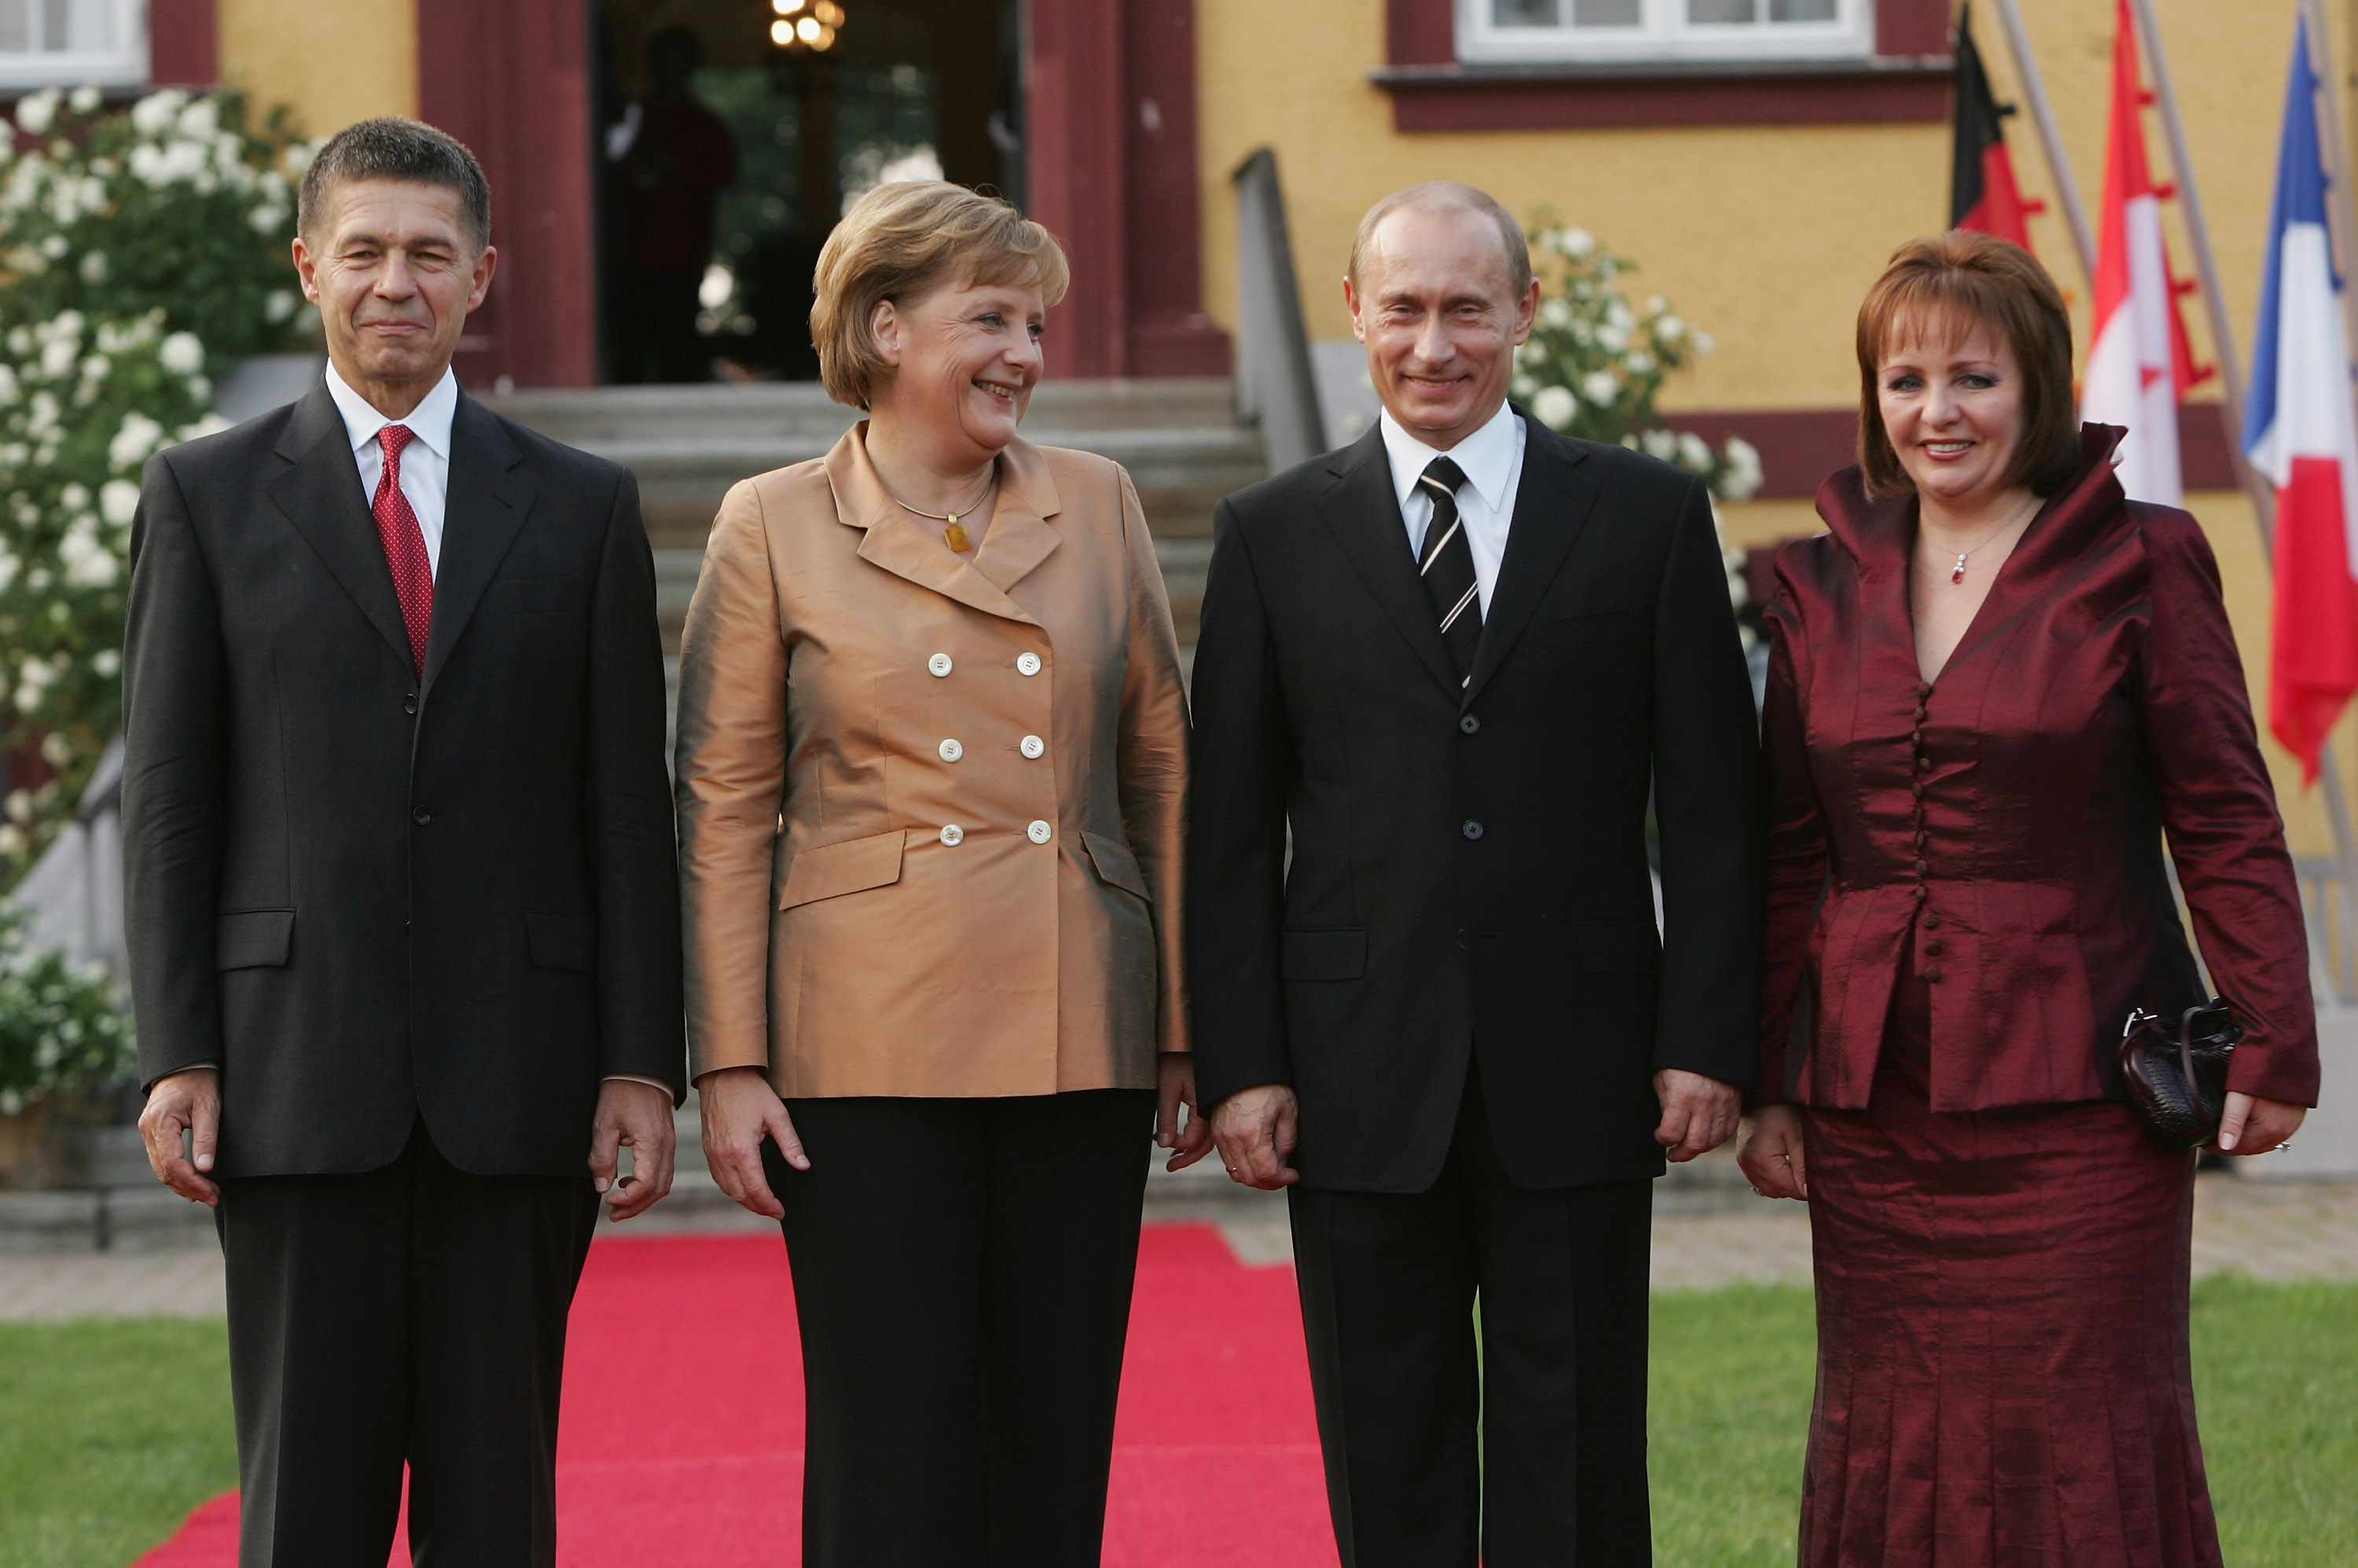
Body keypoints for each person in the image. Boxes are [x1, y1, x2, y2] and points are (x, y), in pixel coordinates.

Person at [124, 119, 684, 1566]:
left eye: (430, 254)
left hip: (519, 1087)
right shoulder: (202, 495)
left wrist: (639, 1060)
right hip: (293, 1080)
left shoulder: (583, 505)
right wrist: (179, 1048)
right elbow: (174, 797)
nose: (396, 283)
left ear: (481, 277)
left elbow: (626, 806)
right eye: (364, 251)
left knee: (497, 1517)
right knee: (306, 1512)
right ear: (309, 268)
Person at [1188, 181, 1765, 1566]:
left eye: (1466, 308)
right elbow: (1229, 828)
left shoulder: (1646, 517)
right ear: (1354, 312)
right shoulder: (1271, 533)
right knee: (1387, 1455)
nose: (1433, 344)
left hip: (1583, 1062)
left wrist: (1705, 1037)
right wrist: (1244, 1064)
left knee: (1578, 1460)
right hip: (1354, 1075)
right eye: (1403, 308)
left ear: (1525, 312)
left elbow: (1714, 809)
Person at [1739, 231, 2317, 1567]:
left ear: (2039, 386)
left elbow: (2224, 814)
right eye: (1904, 381)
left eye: (1974, 378)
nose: (1936, 412)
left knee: (2084, 1424)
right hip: (1873, 1100)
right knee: (1891, 1424)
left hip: (2087, 1088)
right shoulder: (1815, 583)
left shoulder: (2144, 556)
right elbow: (1790, 849)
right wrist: (1767, 1073)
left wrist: (2273, 1038)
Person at [674, 179, 1206, 1567]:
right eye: (992, 321)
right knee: (890, 1448)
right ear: (886, 327)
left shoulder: (1100, 501)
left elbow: (1161, 768)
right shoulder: (774, 521)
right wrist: (729, 1059)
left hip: (1077, 1022)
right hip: (863, 1041)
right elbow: (722, 803)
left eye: (1035, 326)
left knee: (1051, 1437)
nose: (1025, 353)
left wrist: (1184, 1025)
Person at [604, 25, 736, 383]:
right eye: (663, 64)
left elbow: (723, 174)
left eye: (678, 65)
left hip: (680, 257)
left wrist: (676, 168)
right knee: (629, 353)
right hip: (628, 256)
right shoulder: (628, 120)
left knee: (678, 353)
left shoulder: (705, 127)